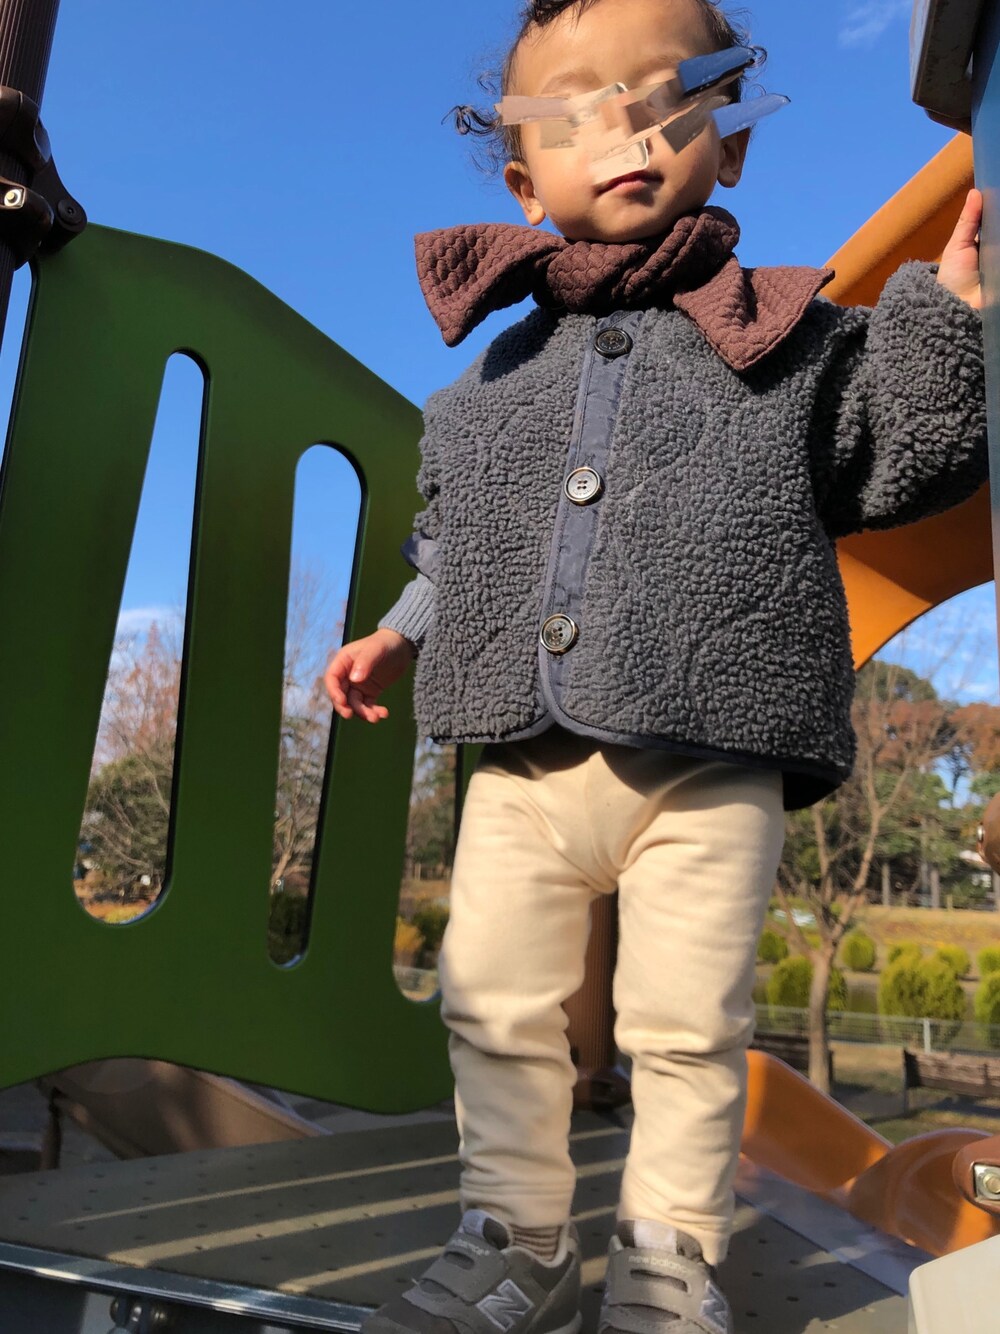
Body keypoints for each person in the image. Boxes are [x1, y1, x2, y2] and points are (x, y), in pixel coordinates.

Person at [325, 1, 987, 1330]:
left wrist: (950, 320)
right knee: (493, 1005)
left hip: (712, 751)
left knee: (685, 1028)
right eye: (575, 112)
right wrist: (400, 625)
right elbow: (465, 535)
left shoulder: (790, 338)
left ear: (727, 142)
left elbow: (900, 455)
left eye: (668, 97)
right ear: (524, 180)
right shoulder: (496, 378)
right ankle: (514, 1241)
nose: (625, 130)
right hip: (523, 761)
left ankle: (667, 1259)